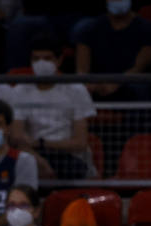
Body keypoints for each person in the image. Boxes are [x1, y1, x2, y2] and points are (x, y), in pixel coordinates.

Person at [11, 35, 97, 180]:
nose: (41, 63)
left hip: (68, 157)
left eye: (47, 58)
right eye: (36, 59)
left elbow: (80, 142)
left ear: (59, 60)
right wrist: (39, 160)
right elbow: (17, 137)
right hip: (33, 154)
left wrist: (42, 143)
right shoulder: (20, 90)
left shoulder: (76, 89)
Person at [76, 0, 151, 103]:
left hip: (128, 81)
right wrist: (89, 83)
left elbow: (138, 68)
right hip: (96, 82)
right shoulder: (89, 28)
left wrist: (116, 83)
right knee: (78, 88)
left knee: (139, 87)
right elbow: (82, 70)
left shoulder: (147, 28)